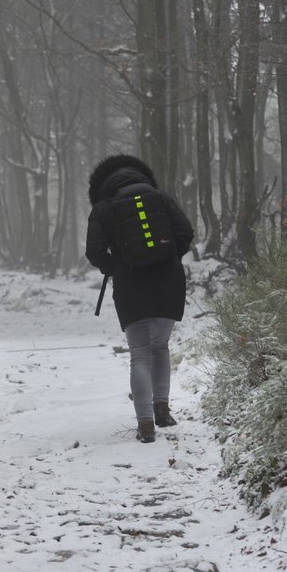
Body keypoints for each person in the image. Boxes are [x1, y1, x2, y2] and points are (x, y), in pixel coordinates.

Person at [85, 154, 194, 443]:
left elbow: (94, 252)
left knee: (140, 355)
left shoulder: (102, 208)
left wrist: (118, 267)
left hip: (131, 286)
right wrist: (169, 258)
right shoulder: (159, 197)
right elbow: (185, 232)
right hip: (168, 281)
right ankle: (163, 409)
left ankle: (145, 425)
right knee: (160, 346)